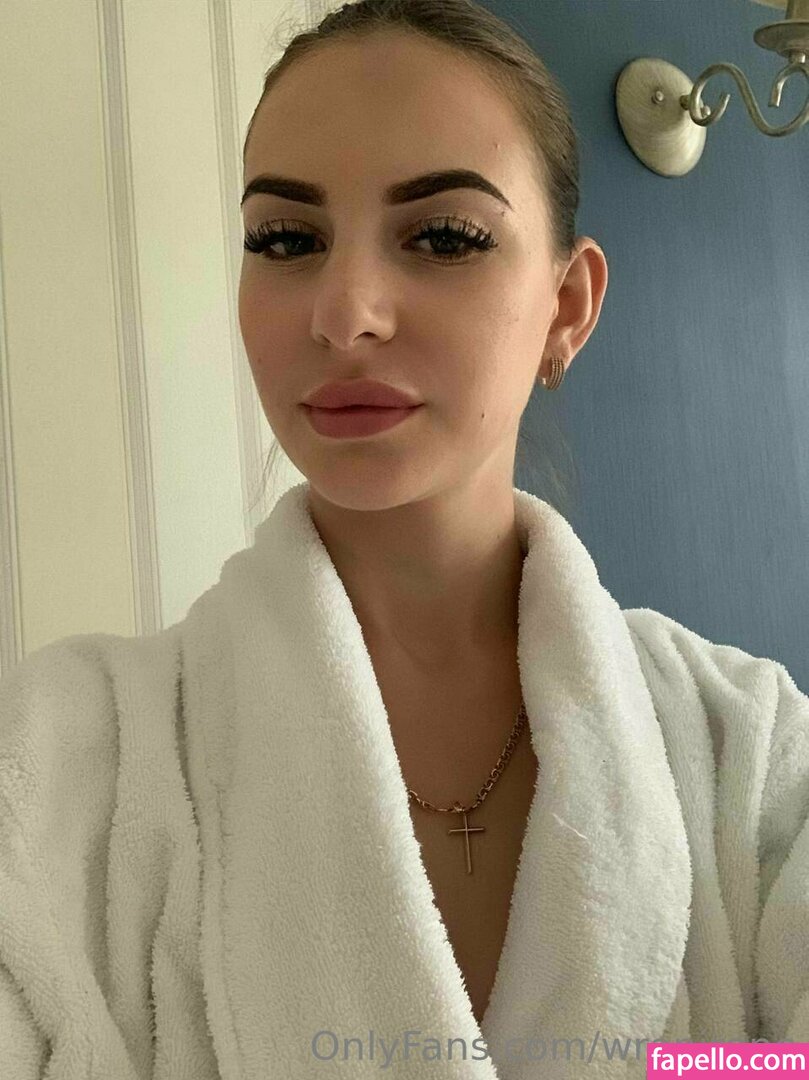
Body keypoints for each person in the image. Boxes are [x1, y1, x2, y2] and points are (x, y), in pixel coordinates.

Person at [1, 2, 807, 1078]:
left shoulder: (752, 754)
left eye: (442, 237)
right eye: (286, 240)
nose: (344, 314)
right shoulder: (56, 764)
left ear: (566, 306)